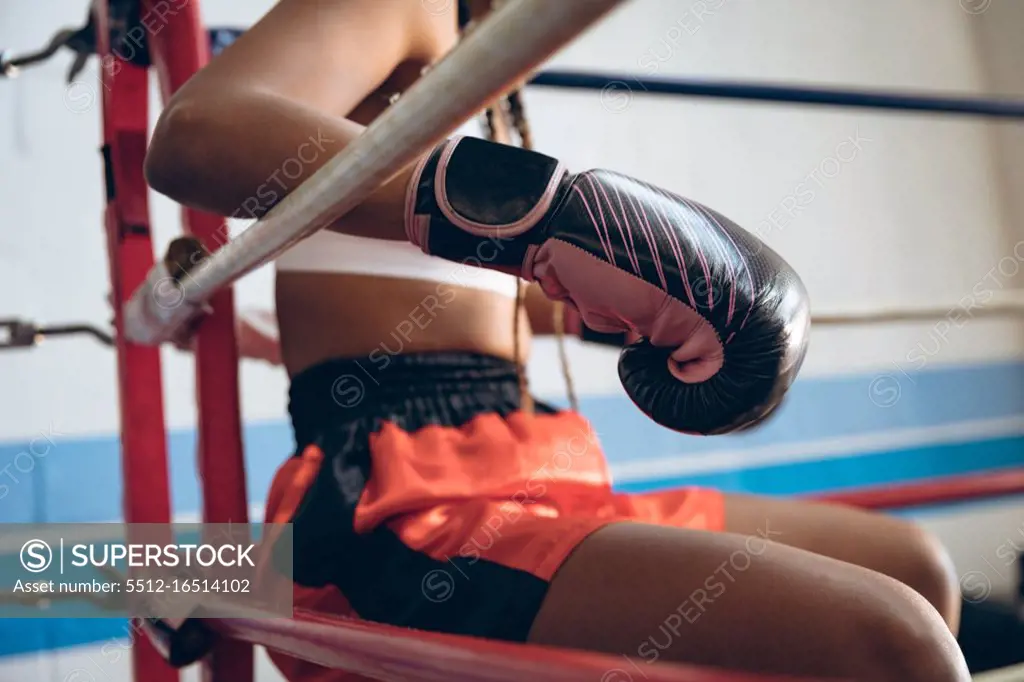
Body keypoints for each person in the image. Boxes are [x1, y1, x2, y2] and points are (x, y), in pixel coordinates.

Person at [143, 1, 969, 680]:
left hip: (529, 457)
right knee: (896, 644)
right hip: (400, 496)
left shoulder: (491, 58)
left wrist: (655, 305)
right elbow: (197, 136)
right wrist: (538, 217)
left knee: (918, 570)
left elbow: (465, 291)